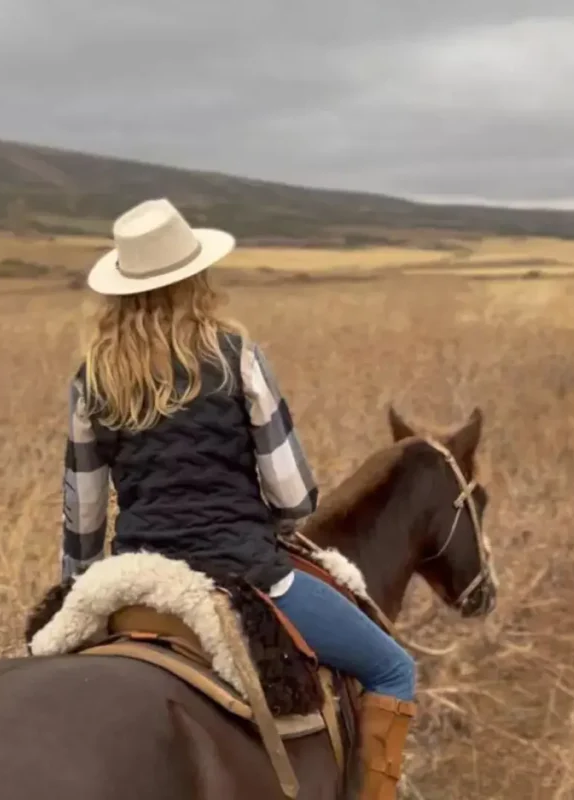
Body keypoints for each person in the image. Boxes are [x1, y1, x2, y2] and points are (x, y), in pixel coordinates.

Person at [60, 197, 417, 799]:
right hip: (246, 572)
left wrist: (80, 593)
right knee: (393, 669)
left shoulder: (92, 378)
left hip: (136, 574)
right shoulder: (237, 357)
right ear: (196, 278)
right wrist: (267, 524)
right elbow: (293, 493)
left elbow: (84, 516)